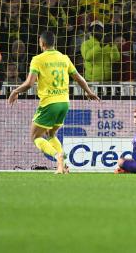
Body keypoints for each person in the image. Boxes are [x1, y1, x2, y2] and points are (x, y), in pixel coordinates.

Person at [8, 31, 100, 174]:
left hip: (49, 103)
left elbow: (28, 83)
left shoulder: (37, 59)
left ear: (42, 43)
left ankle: (57, 156)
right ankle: (64, 165)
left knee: (35, 137)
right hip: (64, 103)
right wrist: (89, 92)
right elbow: (79, 78)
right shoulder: (64, 58)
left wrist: (15, 91)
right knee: (51, 134)